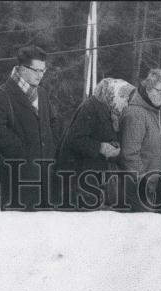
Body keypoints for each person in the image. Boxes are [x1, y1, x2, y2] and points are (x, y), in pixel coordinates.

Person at [0, 45, 60, 211]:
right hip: (17, 180)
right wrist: (24, 152)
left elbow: (53, 123)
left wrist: (50, 150)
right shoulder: (0, 96)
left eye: (43, 70)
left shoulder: (41, 93)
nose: (41, 75)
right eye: (36, 70)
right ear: (21, 69)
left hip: (46, 180)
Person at [56, 77, 130, 209]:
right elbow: (73, 139)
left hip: (93, 175)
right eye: (124, 98)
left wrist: (114, 147)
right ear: (113, 94)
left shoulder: (111, 111)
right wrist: (100, 147)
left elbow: (104, 135)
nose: (126, 103)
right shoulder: (90, 108)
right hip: (78, 176)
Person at [119, 68, 161, 211]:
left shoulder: (157, 110)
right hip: (136, 188)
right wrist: (142, 181)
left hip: (150, 185)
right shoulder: (136, 114)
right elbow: (130, 154)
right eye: (159, 91)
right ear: (148, 87)